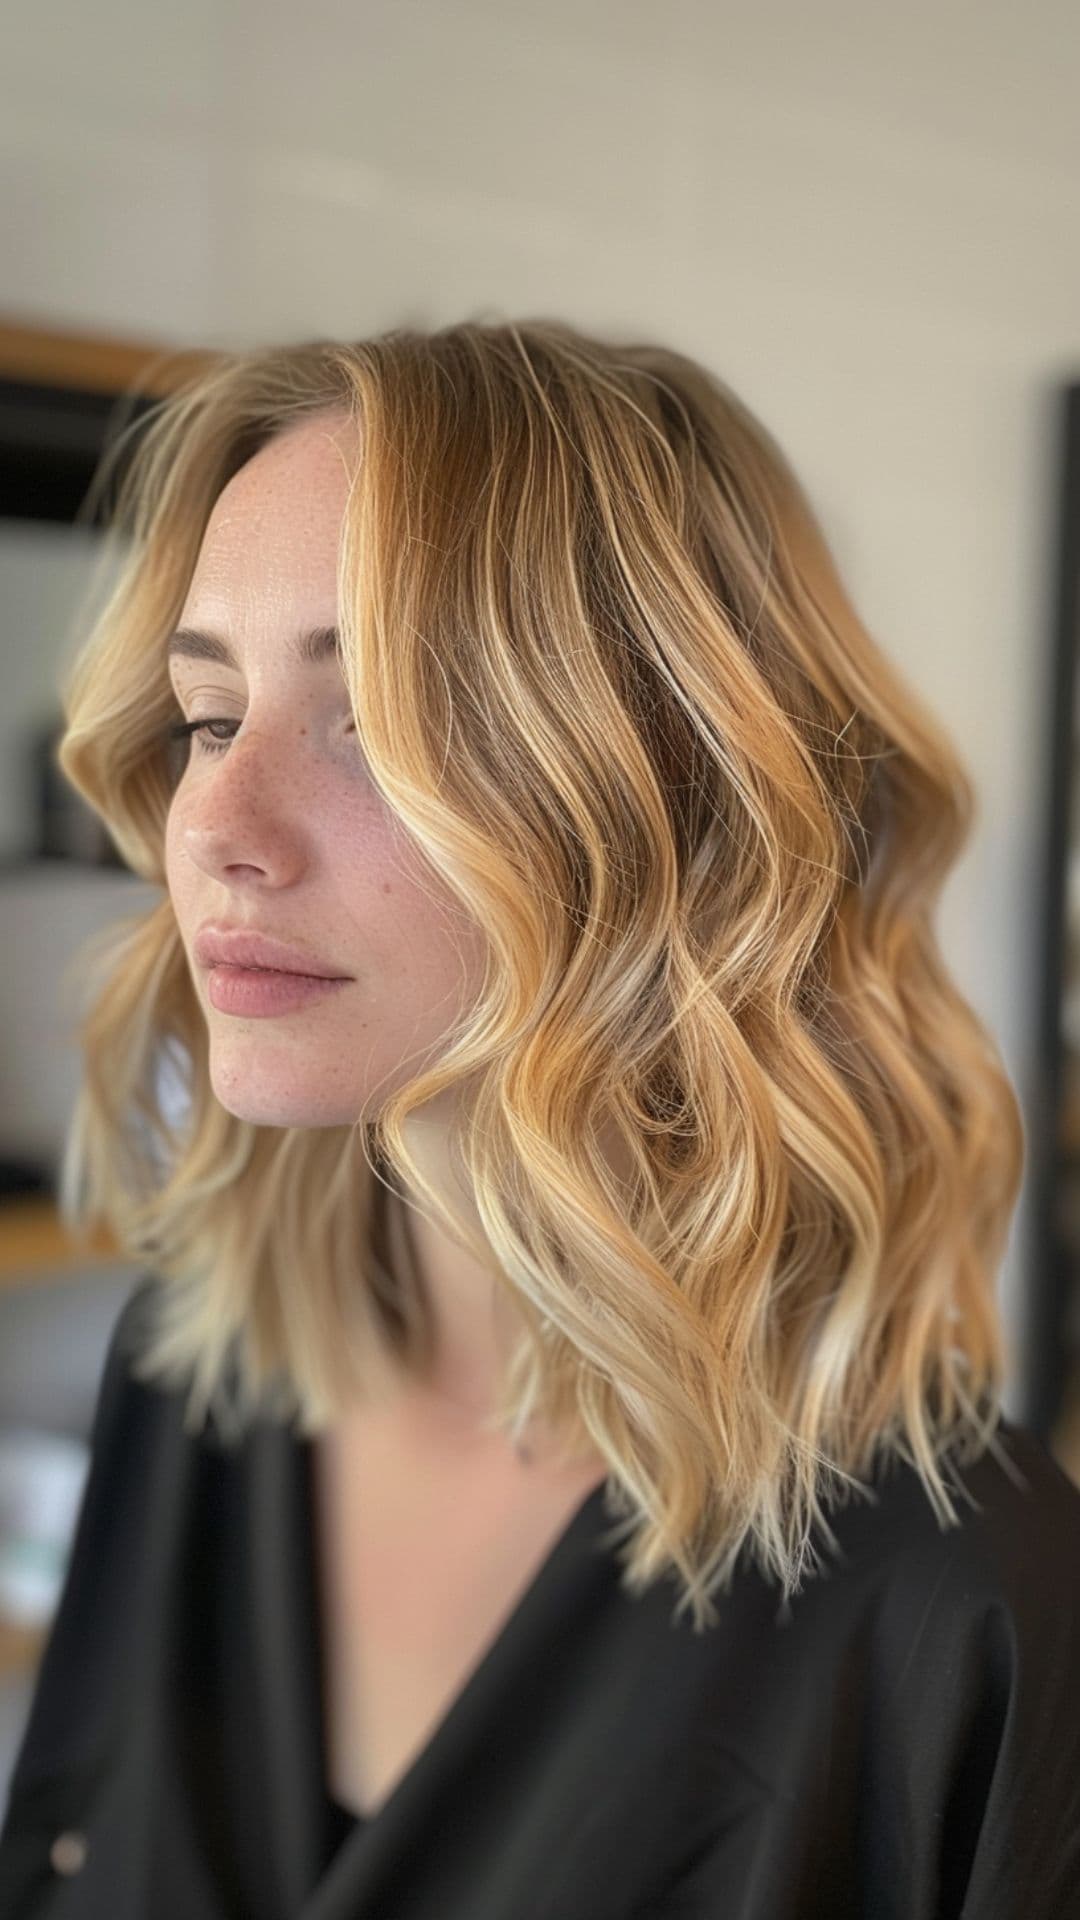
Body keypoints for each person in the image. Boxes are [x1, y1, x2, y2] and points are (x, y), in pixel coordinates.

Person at [1, 317, 1078, 1919]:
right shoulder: (195, 1377)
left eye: (375, 723)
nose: (215, 825)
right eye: (209, 717)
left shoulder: (970, 1609)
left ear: (679, 797)